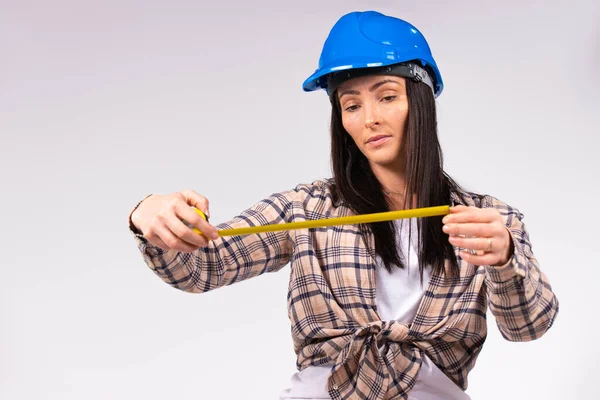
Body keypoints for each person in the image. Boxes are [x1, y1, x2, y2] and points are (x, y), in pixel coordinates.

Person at [127, 10, 559, 400]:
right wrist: (148, 215)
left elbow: (528, 326)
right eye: (351, 104)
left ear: (420, 101)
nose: (368, 117)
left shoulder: (489, 220)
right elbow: (204, 267)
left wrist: (504, 260)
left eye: (387, 96)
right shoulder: (307, 209)